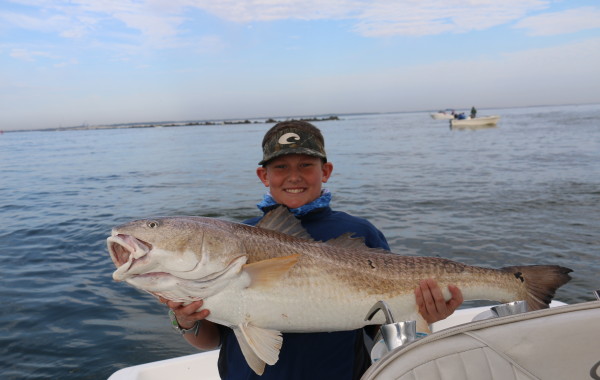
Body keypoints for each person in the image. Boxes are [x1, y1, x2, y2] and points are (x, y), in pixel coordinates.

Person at [161, 120, 464, 379]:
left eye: (306, 165)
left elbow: (383, 324)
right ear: (263, 176)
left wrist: (425, 314)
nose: (294, 176)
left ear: (326, 170)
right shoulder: (234, 238)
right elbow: (213, 338)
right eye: (280, 167)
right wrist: (186, 320)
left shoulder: (360, 232)